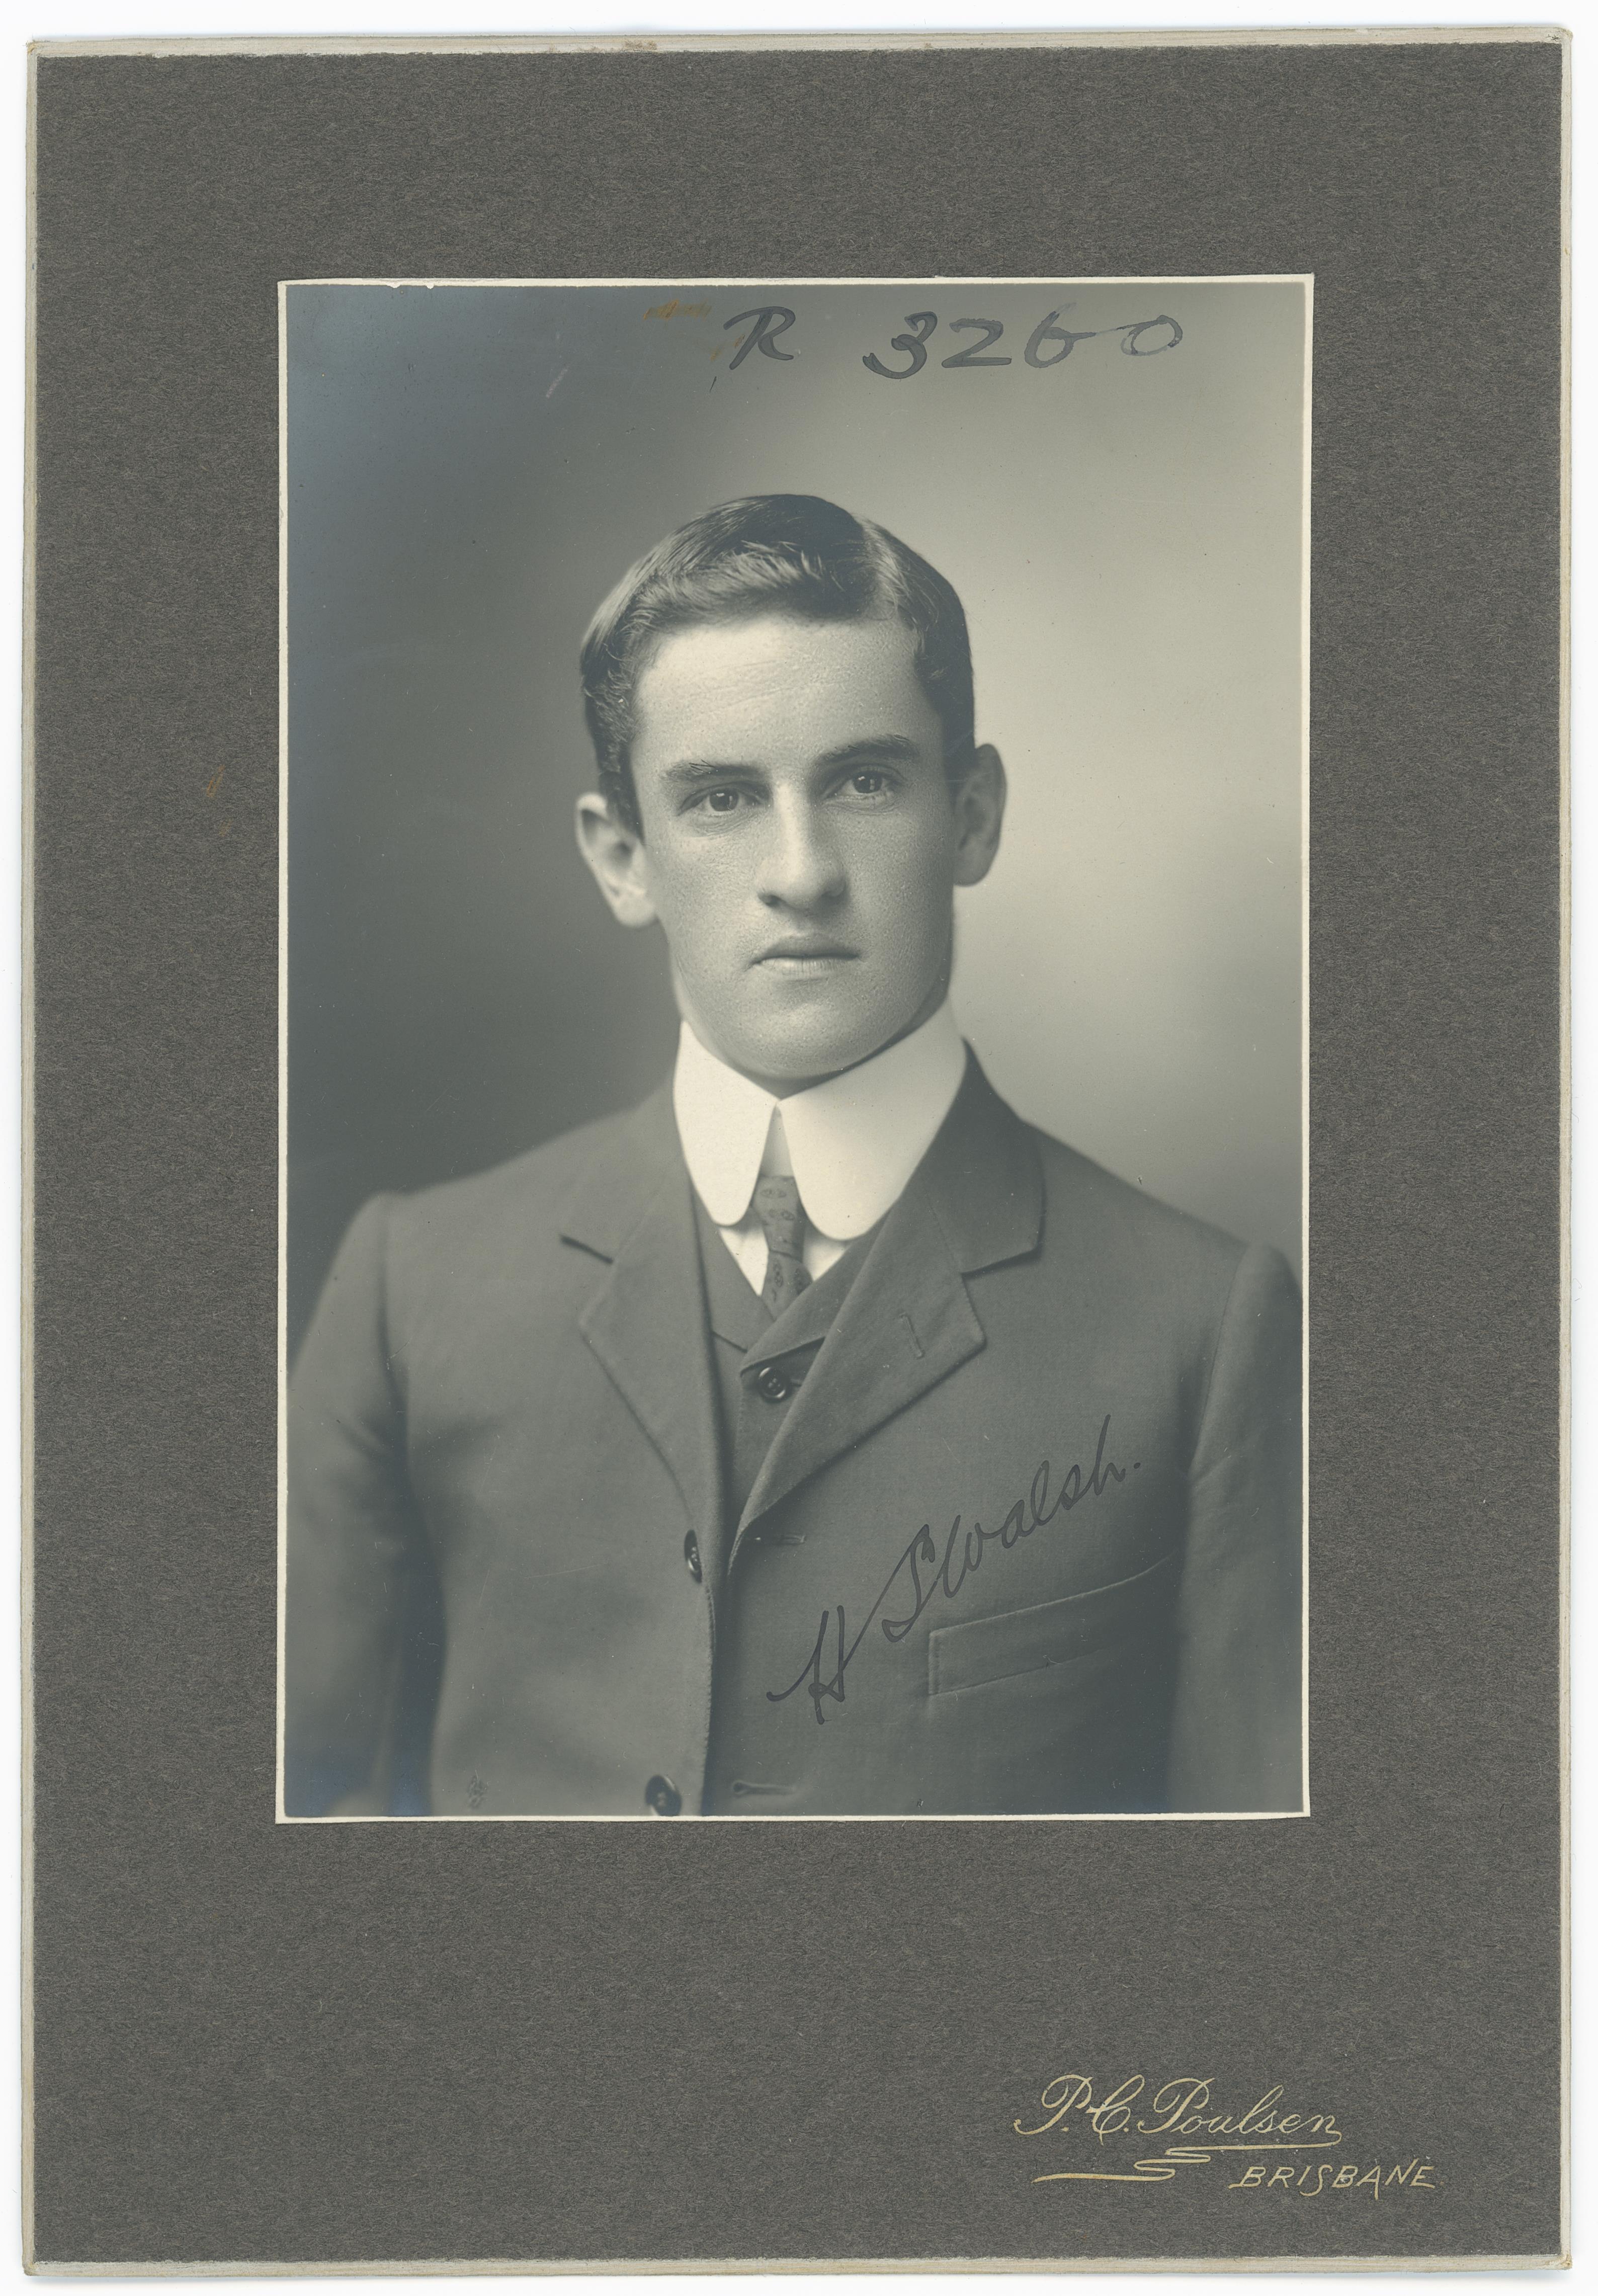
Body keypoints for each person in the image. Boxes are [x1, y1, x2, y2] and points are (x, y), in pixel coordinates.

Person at [285, 493, 1302, 1821]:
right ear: (621, 858)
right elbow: (303, 1854)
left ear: (973, 815)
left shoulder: (1204, 1329)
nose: (801, 871)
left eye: (865, 781)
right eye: (719, 798)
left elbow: (1254, 1895)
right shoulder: (412, 1289)